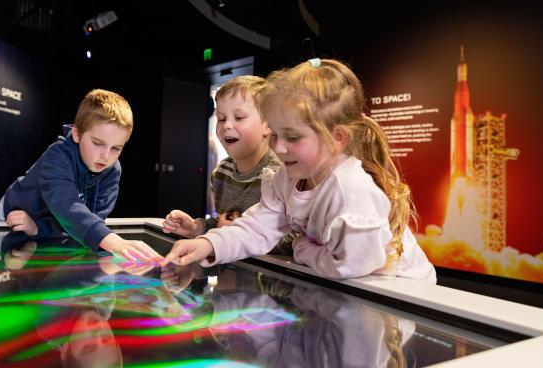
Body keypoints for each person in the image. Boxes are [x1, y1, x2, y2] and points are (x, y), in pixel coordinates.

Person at [161, 58, 436, 282]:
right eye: (276, 135)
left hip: (405, 294)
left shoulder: (350, 187)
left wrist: (302, 249)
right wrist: (209, 245)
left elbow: (352, 266)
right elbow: (256, 229)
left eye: (293, 137)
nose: (279, 148)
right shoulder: (285, 179)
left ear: (337, 137)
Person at [0, 89, 160, 263]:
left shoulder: (113, 170)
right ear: (76, 133)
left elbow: (91, 219)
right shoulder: (57, 156)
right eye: (98, 143)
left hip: (50, 226)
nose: (106, 156)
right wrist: (113, 241)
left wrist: (39, 229)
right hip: (15, 211)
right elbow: (66, 204)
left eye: (116, 148)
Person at [163, 76, 295, 254]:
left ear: (268, 125)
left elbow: (294, 238)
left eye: (239, 117)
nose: (227, 125)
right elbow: (222, 223)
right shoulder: (221, 173)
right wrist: (196, 228)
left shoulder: (282, 173)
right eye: (221, 118)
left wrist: (239, 232)